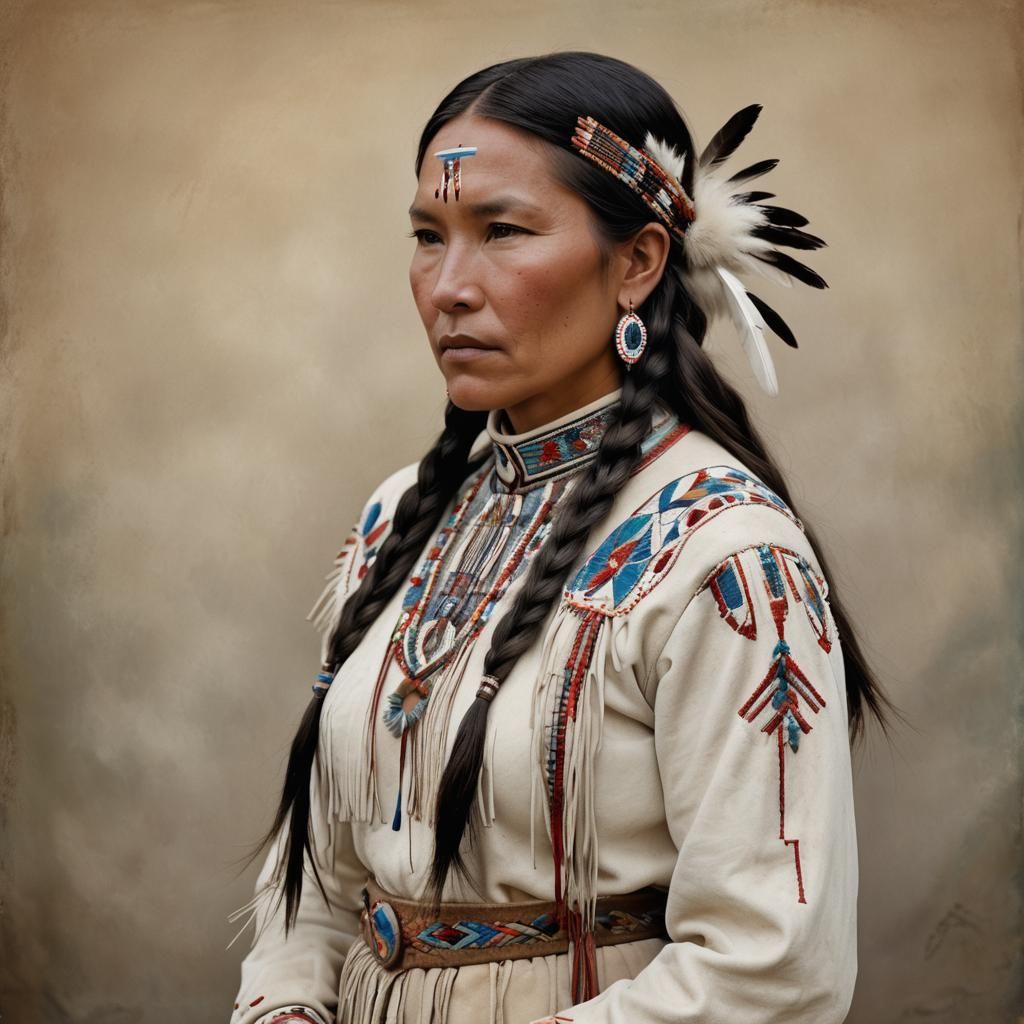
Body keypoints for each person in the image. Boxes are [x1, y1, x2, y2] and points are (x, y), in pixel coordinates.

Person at [227, 50, 887, 1024]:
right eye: (426, 234)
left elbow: (769, 969)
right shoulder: (398, 519)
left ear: (637, 261)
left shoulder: (726, 554)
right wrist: (284, 1006)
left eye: (501, 230)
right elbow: (317, 883)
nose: (449, 285)